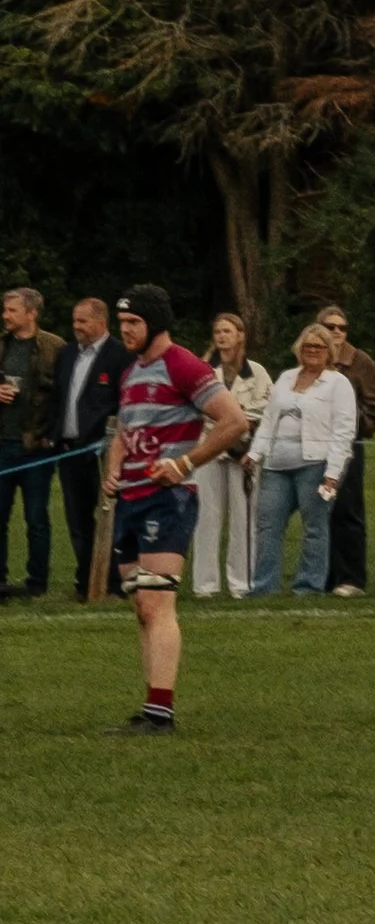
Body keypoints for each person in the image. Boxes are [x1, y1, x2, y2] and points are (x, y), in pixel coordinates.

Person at [102, 284, 247, 728]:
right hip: (129, 499)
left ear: (155, 324)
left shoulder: (183, 364)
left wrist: (184, 462)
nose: (124, 331)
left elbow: (234, 421)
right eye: (121, 323)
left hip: (167, 500)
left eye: (133, 323)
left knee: (156, 601)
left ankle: (160, 711)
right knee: (141, 606)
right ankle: (152, 705)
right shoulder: (131, 373)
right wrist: (113, 468)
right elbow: (124, 432)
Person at [246, 325, 356, 594]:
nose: (312, 352)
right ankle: (263, 586)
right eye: (307, 347)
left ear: (328, 351)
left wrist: (333, 471)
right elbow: (269, 420)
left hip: (315, 465)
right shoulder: (285, 378)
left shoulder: (338, 383)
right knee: (267, 526)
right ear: (299, 349)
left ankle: (308, 586)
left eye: (318, 347)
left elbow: (344, 430)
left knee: (314, 527)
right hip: (275, 465)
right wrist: (254, 454)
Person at [190, 312, 270, 601]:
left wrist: (235, 421)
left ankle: (241, 583)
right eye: (218, 331)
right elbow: (198, 407)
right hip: (208, 450)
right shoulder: (202, 370)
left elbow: (264, 409)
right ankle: (205, 585)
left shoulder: (257, 372)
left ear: (241, 335)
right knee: (206, 518)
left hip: (244, 453)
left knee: (244, 517)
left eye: (228, 331)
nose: (222, 336)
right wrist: (228, 419)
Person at [313, 305, 375, 592]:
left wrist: (359, 426)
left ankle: (351, 578)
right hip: (313, 446)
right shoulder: (310, 357)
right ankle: (322, 576)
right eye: (330, 326)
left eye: (342, 327)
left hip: (346, 447)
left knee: (347, 510)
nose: (336, 332)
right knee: (319, 511)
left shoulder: (359, 361)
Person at [52, 297, 122, 596]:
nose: (76, 326)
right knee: (78, 519)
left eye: (83, 320)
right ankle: (86, 581)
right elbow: (58, 397)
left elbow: (123, 402)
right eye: (75, 320)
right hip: (70, 451)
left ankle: (115, 582)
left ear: (101, 322)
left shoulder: (120, 356)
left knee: (111, 517)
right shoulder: (67, 354)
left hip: (104, 451)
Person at [0, 286, 64, 599]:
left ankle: (36, 583)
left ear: (31, 313)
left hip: (36, 447)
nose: (5, 316)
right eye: (5, 310)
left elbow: (64, 396)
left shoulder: (55, 347)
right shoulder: (1, 344)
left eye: (11, 310)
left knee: (37, 517)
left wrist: (53, 435)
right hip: (2, 444)